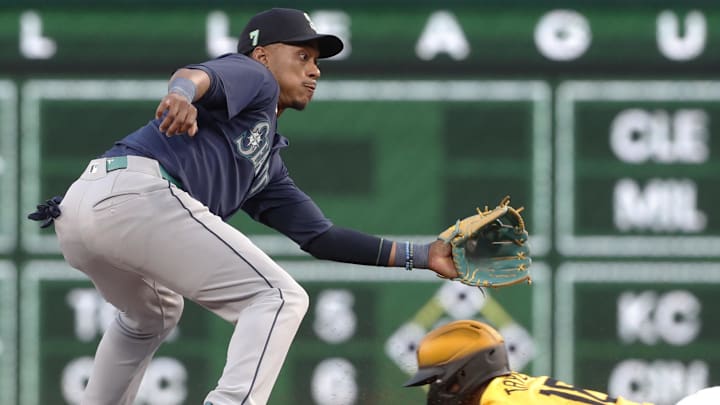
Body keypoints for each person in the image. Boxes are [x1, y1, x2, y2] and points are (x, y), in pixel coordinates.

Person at [31, 7, 459, 405]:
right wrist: (181, 94)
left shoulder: (265, 165)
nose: (314, 70)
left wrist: (422, 255)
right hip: (135, 194)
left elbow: (321, 237)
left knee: (154, 313)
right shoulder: (255, 76)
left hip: (84, 209)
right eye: (302, 55)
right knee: (278, 296)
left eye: (317, 61)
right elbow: (197, 75)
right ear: (263, 55)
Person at [404, 319, 654, 405]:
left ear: (463, 374)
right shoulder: (501, 391)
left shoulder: (501, 400)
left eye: (437, 379)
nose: (433, 390)